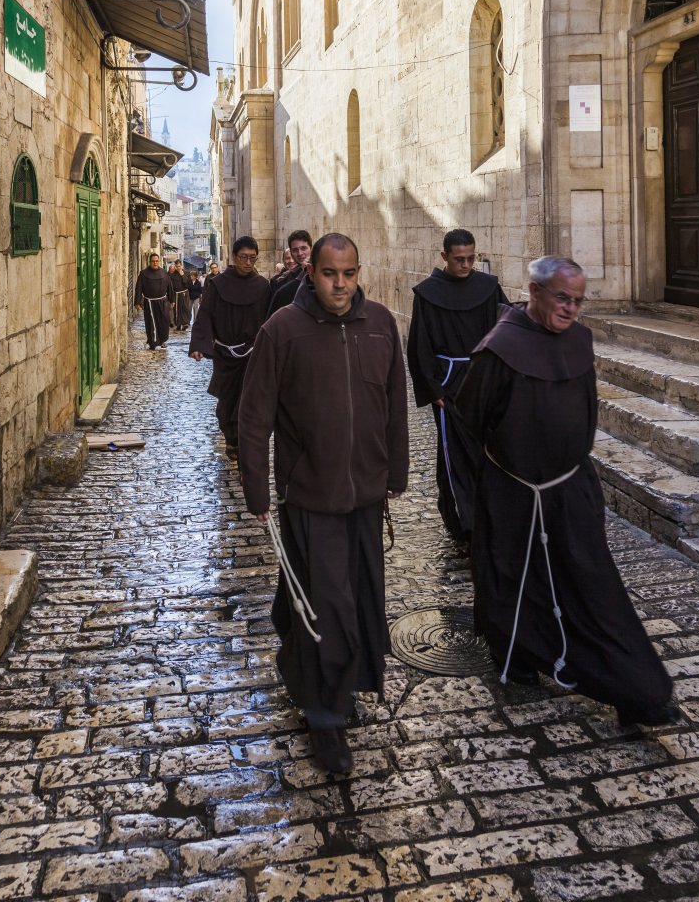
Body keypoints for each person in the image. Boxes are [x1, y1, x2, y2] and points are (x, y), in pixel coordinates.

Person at [455, 255, 676, 726]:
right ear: (534, 292)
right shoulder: (499, 348)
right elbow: (471, 418)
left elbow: (586, 409)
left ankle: (636, 689)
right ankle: (517, 653)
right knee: (511, 575)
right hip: (514, 492)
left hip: (571, 490)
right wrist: (508, 473)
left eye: (578, 300)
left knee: (592, 585)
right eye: (562, 298)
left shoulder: (579, 340)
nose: (571, 309)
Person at [239, 233, 409, 773]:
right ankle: (326, 719)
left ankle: (332, 682)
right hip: (309, 496)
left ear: (360, 272)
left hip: (365, 494)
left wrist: (396, 474)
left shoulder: (381, 324)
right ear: (311, 271)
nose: (340, 285)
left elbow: (396, 405)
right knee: (326, 607)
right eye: (330, 273)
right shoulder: (281, 330)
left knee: (358, 601)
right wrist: (257, 490)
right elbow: (254, 417)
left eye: (350, 274)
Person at [406, 228, 507, 543]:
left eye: (470, 258)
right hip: (449, 385)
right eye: (459, 259)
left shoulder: (488, 288)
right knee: (454, 453)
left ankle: (490, 515)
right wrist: (432, 389)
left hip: (484, 382)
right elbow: (418, 344)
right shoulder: (428, 293)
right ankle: (462, 521)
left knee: (487, 451)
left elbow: (506, 327)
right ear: (444, 257)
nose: (466, 265)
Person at [189, 237, 271, 459]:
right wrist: (198, 344)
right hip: (225, 354)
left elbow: (270, 320)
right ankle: (231, 438)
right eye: (244, 257)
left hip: (252, 354)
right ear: (235, 257)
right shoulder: (217, 284)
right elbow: (205, 314)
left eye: (252, 258)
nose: (248, 262)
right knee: (227, 400)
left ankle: (243, 440)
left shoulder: (263, 287)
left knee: (248, 399)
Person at [134, 252, 175, 350]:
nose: (155, 263)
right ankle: (153, 342)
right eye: (153, 261)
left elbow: (169, 287)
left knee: (164, 322)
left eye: (156, 261)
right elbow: (138, 288)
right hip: (149, 302)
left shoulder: (164, 273)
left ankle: (161, 340)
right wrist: (137, 302)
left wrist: (172, 299)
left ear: (159, 262)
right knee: (151, 322)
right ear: (149, 262)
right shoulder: (143, 274)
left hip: (163, 302)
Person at [267, 230, 312, 316]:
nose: (300, 253)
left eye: (303, 248)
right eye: (295, 250)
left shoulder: (323, 274)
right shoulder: (282, 281)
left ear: (311, 248)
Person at [170, 260, 190, 330]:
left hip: (184, 294)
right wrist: (171, 298)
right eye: (176, 266)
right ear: (175, 266)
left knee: (185, 309)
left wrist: (183, 275)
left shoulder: (187, 273)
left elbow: (188, 284)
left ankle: (185, 324)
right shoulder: (172, 275)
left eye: (179, 266)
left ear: (181, 266)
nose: (178, 268)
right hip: (176, 295)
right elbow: (171, 287)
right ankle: (178, 324)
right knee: (177, 310)